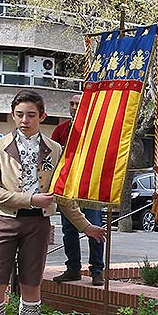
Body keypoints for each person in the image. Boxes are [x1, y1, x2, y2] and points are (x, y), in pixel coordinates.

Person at [0, 90, 103, 315]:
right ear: (12, 115)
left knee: (31, 285)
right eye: (19, 114)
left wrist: (86, 226)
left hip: (38, 225)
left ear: (42, 116)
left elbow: (63, 196)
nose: (24, 120)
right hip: (4, 221)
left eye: (31, 115)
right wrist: (30, 199)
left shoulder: (54, 149)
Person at [51, 92, 105, 285]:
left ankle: (97, 271)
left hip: (90, 187)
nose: (74, 107)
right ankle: (73, 268)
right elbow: (53, 157)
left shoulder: (96, 130)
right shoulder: (61, 129)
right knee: (69, 230)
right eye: (71, 104)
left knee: (95, 229)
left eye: (77, 104)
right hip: (67, 187)